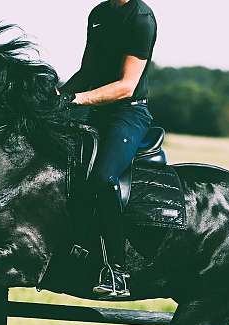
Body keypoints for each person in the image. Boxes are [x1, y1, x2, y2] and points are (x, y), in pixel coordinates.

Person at [59, 0, 157, 299]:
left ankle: (117, 271)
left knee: (103, 178)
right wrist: (57, 97)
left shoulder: (141, 19)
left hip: (128, 114)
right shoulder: (99, 13)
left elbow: (126, 86)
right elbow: (87, 70)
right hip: (96, 111)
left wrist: (75, 99)